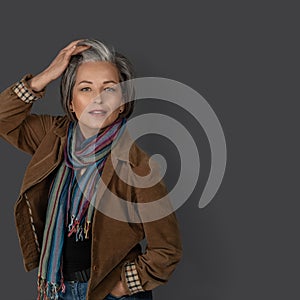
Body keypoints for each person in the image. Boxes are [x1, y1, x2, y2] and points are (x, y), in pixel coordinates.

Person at [0, 39, 182, 300]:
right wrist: (46, 76)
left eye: (109, 89)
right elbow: (3, 118)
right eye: (85, 88)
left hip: (107, 293)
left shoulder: (139, 167)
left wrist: (122, 287)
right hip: (57, 288)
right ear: (71, 103)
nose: (98, 98)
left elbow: (167, 250)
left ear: (121, 104)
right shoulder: (54, 138)